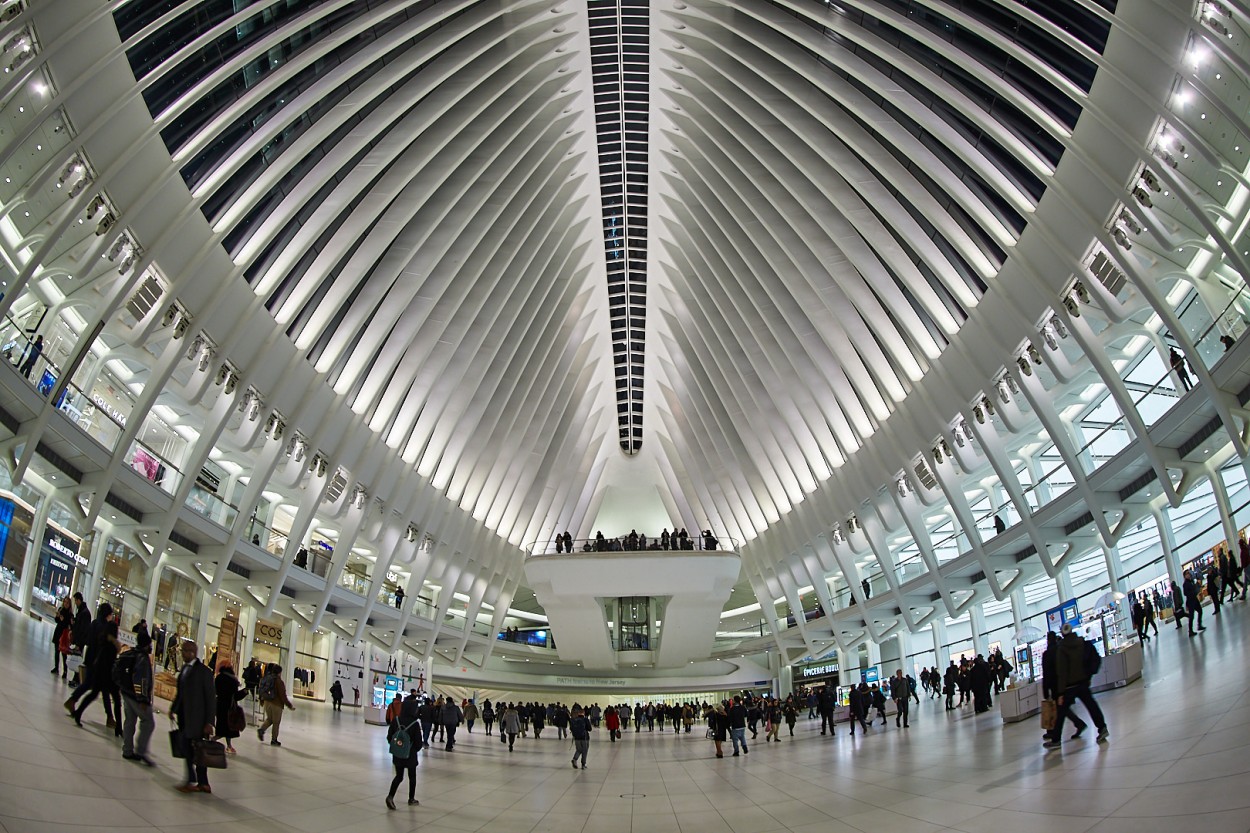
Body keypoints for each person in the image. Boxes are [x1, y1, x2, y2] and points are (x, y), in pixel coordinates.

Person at [1044, 624, 1108, 748]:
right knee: (1091, 705)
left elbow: (1061, 671)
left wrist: (1061, 692)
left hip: (1068, 687)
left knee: (1061, 713)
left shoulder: (1061, 648)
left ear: (1062, 634)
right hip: (1083, 682)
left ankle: (1056, 740)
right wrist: (1088, 676)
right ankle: (1102, 727)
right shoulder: (1081, 643)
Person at [68, 602, 121, 732]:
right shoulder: (105, 627)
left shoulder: (94, 623)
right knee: (98, 690)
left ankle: (75, 704)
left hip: (93, 660)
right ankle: (111, 719)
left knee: (93, 689)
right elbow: (111, 647)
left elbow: (88, 640)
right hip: (100, 664)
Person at [171, 639, 216, 793]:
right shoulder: (184, 669)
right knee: (191, 750)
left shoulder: (204, 672)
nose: (182, 653)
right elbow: (180, 692)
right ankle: (201, 782)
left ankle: (192, 780)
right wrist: (173, 709)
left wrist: (210, 722)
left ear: (192, 652)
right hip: (184, 717)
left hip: (198, 720)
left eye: (184, 651)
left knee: (195, 750)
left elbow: (210, 698)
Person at [1040, 630, 1085, 743]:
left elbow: (1046, 674)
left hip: (1054, 686)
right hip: (1064, 683)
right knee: (1062, 708)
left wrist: (1045, 690)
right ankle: (1076, 724)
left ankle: (1055, 734)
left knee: (1061, 709)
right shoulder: (1060, 649)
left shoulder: (1047, 654)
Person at [119, 627, 156, 765]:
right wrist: (143, 699)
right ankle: (141, 751)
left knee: (129, 721)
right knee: (148, 722)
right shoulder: (143, 658)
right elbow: (141, 679)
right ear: (146, 645)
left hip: (126, 693)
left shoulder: (132, 654)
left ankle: (127, 750)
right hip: (136, 697)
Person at [385, 690, 422, 809]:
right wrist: (413, 750)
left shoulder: (396, 720)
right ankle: (411, 798)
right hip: (410, 755)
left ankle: (390, 796)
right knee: (412, 777)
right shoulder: (414, 724)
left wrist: (397, 746)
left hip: (397, 753)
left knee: (399, 776)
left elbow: (389, 737)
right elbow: (418, 743)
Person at [256, 663, 295, 746]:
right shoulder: (279, 681)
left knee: (270, 719)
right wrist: (289, 705)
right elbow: (282, 695)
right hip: (276, 704)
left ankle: (261, 730)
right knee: (276, 722)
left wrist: (261, 700)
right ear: (279, 672)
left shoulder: (266, 678)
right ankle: (274, 740)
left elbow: (262, 690)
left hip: (267, 702)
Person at [214, 661, 248, 754]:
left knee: (222, 726)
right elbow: (235, 696)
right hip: (230, 706)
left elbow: (215, 691)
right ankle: (214, 741)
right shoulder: (233, 680)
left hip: (220, 705)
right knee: (227, 727)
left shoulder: (219, 677)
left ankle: (227, 745)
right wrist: (244, 692)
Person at [51, 595, 73, 677]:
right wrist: (57, 617)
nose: (65, 604)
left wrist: (63, 620)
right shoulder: (61, 610)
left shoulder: (70, 614)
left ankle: (65, 671)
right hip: (58, 632)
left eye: (67, 603)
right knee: (57, 651)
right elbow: (57, 621)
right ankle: (56, 667)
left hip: (64, 634)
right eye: (65, 602)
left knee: (64, 654)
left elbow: (69, 625)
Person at [1183, 569, 1206, 635]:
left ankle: (1199, 625)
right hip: (1190, 601)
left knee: (1200, 611)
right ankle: (1190, 630)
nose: (1188, 574)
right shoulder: (1185, 584)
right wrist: (1192, 592)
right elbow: (1185, 593)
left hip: (1194, 599)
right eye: (1187, 573)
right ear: (1185, 575)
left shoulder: (1191, 581)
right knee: (1191, 616)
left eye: (1189, 573)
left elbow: (1194, 588)